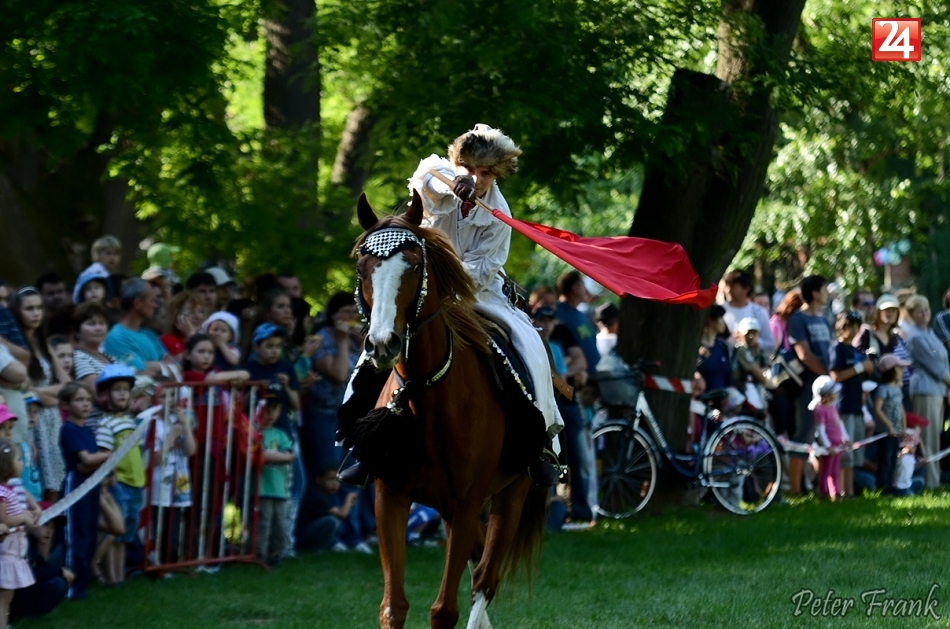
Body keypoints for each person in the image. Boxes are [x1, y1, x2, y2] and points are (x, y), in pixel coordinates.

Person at [340, 124, 562, 488]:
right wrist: (455, 182)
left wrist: (445, 283)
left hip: (478, 292)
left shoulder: (499, 213)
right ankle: (360, 447)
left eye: (485, 172)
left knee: (529, 343)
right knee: (374, 348)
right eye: (469, 168)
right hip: (420, 285)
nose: (476, 178)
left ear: (497, 174)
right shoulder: (437, 175)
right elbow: (426, 177)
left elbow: (484, 269)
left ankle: (541, 444)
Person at [10, 288, 67, 500]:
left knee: (55, 486)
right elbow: (23, 388)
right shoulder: (16, 348)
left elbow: (67, 387)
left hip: (52, 420)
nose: (36, 313)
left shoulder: (44, 344)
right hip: (31, 420)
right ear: (17, 312)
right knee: (34, 486)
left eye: (39, 308)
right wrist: (51, 396)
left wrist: (38, 392)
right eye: (29, 309)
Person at [93, 365, 143, 584]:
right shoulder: (106, 423)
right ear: (105, 394)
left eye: (126, 389)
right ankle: (107, 574)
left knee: (125, 535)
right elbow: (104, 453)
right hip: (119, 482)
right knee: (114, 532)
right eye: (117, 389)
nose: (122, 394)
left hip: (136, 482)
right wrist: (110, 474)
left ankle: (119, 576)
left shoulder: (130, 421)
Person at [58, 382, 108, 600]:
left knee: (88, 535)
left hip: (90, 485)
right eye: (79, 400)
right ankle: (71, 587)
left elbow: (89, 463)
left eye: (88, 400)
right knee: (75, 537)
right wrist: (111, 454)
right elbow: (86, 460)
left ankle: (82, 585)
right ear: (66, 405)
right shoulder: (69, 429)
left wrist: (94, 461)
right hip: (76, 486)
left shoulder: (86, 429)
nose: (86, 404)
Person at [303, 293, 360, 477]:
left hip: (350, 417)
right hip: (324, 415)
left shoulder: (355, 340)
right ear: (333, 314)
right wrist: (342, 341)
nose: (351, 317)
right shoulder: (321, 340)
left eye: (354, 312)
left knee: (351, 473)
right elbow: (339, 375)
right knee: (329, 472)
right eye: (346, 311)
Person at [786, 275, 833, 496]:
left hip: (826, 387)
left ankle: (824, 487)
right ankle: (795, 489)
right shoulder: (797, 319)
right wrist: (827, 375)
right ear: (814, 293)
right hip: (807, 387)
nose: (827, 293)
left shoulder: (824, 320)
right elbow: (804, 354)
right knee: (804, 433)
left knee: (826, 435)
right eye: (824, 289)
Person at [903, 294, 950, 489]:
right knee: (928, 439)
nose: (924, 314)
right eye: (919, 311)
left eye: (926, 310)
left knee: (935, 437)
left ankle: (935, 480)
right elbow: (936, 367)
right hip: (925, 389)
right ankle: (930, 483)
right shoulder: (915, 337)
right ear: (912, 315)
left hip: (938, 390)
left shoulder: (929, 332)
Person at [828, 312, 873, 497]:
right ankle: (840, 491)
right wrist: (860, 368)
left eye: (856, 326)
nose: (853, 330)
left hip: (857, 406)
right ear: (841, 328)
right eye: (849, 326)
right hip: (843, 405)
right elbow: (836, 376)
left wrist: (867, 367)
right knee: (844, 452)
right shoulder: (837, 348)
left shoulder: (856, 351)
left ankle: (850, 491)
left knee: (853, 452)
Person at [0, 438, 36, 629]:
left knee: (8, 594)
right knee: (4, 595)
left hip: (14, 548)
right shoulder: (1, 492)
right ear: (6, 465)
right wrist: (23, 517)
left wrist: (25, 514)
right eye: (18, 459)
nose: (22, 463)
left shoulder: (8, 489)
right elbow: (5, 520)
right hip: (6, 550)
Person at [257, 384, 294, 565]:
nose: (270, 414)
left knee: (280, 524)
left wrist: (266, 455)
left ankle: (276, 553)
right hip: (261, 489)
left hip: (279, 489)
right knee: (263, 523)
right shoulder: (254, 433)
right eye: (266, 409)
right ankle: (260, 555)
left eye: (275, 409)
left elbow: (290, 456)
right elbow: (256, 455)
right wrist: (278, 456)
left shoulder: (281, 434)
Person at [103, 278, 169, 376]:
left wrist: (153, 366)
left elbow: (176, 366)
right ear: (138, 304)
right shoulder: (117, 337)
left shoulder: (149, 334)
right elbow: (140, 374)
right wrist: (164, 366)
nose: (155, 305)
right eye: (152, 300)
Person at [71, 302, 118, 433]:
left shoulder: (110, 358)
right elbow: (100, 395)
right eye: (91, 324)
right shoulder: (78, 357)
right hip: (98, 429)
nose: (98, 328)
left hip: (119, 427)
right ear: (77, 331)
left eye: (102, 323)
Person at [871, 354, 909, 493]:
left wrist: (903, 428)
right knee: (885, 461)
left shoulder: (898, 389)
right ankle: (882, 488)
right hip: (885, 433)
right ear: (890, 371)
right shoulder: (883, 389)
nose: (902, 371)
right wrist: (889, 426)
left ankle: (890, 487)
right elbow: (877, 409)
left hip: (895, 433)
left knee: (893, 460)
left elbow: (902, 409)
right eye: (899, 368)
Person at [810, 376, 849, 500]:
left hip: (836, 445)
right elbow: (821, 431)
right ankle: (823, 492)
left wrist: (846, 438)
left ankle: (835, 492)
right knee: (826, 471)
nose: (837, 394)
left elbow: (839, 424)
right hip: (829, 447)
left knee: (834, 471)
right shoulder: (820, 410)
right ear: (827, 395)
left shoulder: (833, 407)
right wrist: (828, 446)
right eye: (834, 392)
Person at [721, 270, 775, 353]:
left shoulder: (759, 312)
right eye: (727, 286)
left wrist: (751, 339)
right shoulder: (720, 311)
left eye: (733, 287)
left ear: (746, 289)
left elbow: (770, 345)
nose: (728, 290)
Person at [732, 317, 772, 410]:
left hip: (759, 389)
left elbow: (768, 369)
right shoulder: (739, 350)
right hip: (742, 390)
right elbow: (760, 376)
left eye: (754, 333)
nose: (751, 336)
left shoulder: (761, 351)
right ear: (741, 334)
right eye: (748, 333)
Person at [159, 290, 207, 359]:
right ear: (177, 315)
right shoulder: (167, 339)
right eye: (191, 311)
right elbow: (196, 360)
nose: (198, 316)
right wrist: (191, 335)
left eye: (201, 311)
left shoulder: (207, 338)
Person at [697, 305, 733, 391]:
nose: (724, 323)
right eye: (720, 318)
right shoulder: (697, 346)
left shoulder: (722, 346)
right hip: (703, 396)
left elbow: (729, 377)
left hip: (723, 397)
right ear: (710, 321)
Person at [892, 412, 927, 496]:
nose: (920, 429)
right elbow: (897, 458)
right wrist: (905, 450)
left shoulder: (911, 457)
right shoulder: (902, 455)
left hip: (907, 484)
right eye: (918, 426)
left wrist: (921, 462)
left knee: (920, 481)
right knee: (910, 494)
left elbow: (912, 467)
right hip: (900, 488)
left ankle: (909, 490)